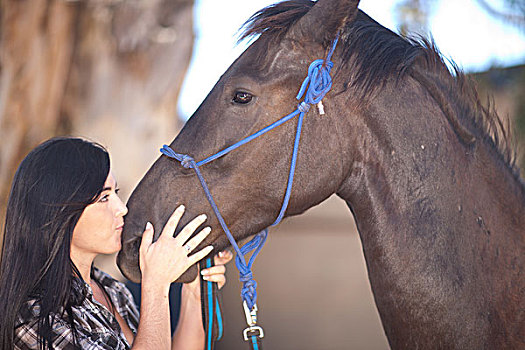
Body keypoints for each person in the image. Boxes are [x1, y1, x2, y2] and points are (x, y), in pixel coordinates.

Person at [0, 137, 233, 349]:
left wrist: (193, 291)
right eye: (104, 198)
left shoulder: (111, 289)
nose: (122, 208)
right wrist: (156, 285)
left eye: (116, 193)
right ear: (58, 213)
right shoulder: (34, 318)